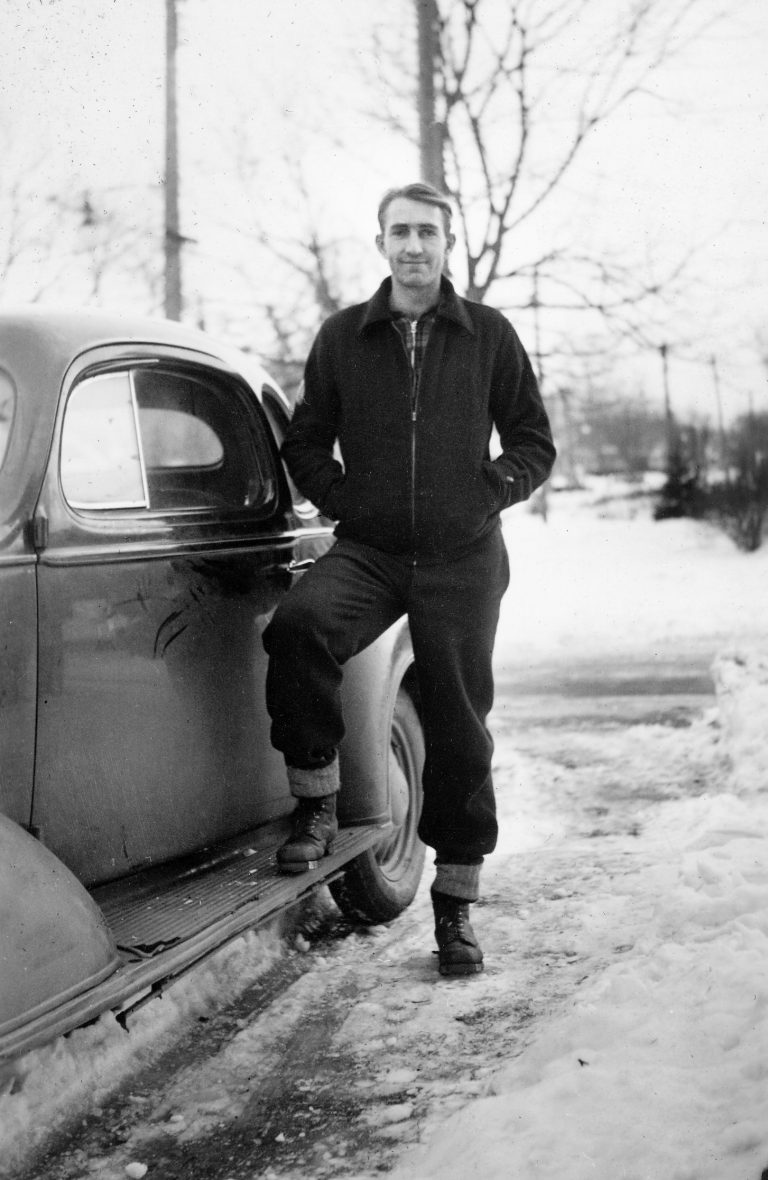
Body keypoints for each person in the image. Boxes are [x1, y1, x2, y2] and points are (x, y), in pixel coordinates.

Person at [263, 181, 555, 976]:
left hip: (463, 556)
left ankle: (455, 908)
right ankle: (318, 804)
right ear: (382, 243)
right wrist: (349, 498)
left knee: (459, 723)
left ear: (447, 243)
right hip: (373, 547)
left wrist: (489, 490)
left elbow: (534, 441)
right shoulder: (342, 338)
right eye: (401, 232)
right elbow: (306, 442)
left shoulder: (488, 335)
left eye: (428, 232)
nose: (414, 246)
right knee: (300, 628)